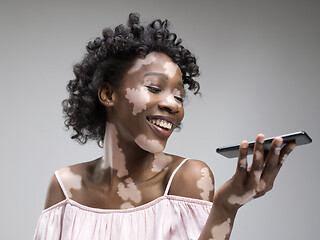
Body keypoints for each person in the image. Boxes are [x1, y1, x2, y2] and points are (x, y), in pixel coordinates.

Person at [33, 13, 296, 240]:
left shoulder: (188, 179)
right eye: (154, 88)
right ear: (108, 95)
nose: (173, 105)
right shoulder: (65, 188)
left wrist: (226, 206)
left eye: (179, 96)